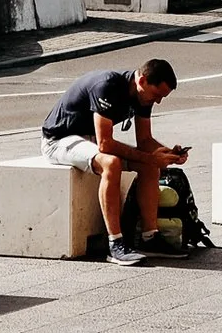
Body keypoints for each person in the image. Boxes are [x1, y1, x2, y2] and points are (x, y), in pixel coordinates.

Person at [39, 58, 187, 266]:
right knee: (111, 163)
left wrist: (169, 154)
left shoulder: (143, 96)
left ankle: (149, 238)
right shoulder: (107, 86)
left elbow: (145, 140)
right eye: (157, 95)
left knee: (149, 166)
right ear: (142, 80)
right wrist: (151, 157)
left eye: (162, 97)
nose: (158, 101)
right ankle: (115, 244)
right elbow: (105, 144)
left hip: (89, 140)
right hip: (58, 140)